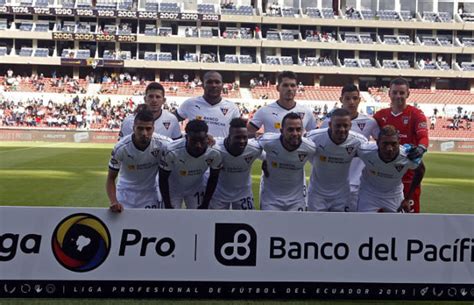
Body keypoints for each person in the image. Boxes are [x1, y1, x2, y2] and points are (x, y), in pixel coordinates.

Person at [320, 84, 379, 211]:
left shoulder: (370, 122)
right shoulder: (327, 123)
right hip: (333, 183)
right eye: (347, 98)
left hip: (358, 183)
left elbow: (381, 146)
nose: (351, 102)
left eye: (355, 98)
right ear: (341, 100)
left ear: (359, 100)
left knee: (353, 223)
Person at [374, 77, 429, 213]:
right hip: (386, 174)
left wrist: (421, 148)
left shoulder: (416, 114)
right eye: (395, 92)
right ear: (389, 94)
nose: (398, 96)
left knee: (410, 220)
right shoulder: (380, 116)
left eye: (402, 93)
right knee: (382, 219)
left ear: (408, 94)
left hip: (409, 176)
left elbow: (423, 136)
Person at [106, 109, 171, 213]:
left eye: (148, 129)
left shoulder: (164, 144)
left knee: (148, 228)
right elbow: (111, 178)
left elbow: (181, 148)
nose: (144, 133)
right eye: (140, 128)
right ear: (133, 128)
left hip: (150, 194)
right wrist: (113, 201)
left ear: (153, 129)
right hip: (125, 193)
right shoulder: (121, 148)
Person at [306, 108, 368, 212]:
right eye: (338, 125)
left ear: (350, 125)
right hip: (317, 194)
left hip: (342, 195)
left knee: (341, 226)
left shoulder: (359, 141)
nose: (342, 129)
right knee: (315, 226)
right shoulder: (314, 137)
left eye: (345, 126)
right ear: (330, 125)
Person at [357, 125, 425, 213]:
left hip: (394, 195)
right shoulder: (365, 151)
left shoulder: (407, 156)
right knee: (363, 224)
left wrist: (408, 198)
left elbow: (421, 170)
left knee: (398, 225)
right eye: (385, 144)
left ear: (399, 142)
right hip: (369, 193)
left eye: (394, 144)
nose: (389, 148)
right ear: (377, 143)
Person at [258, 112, 316, 211]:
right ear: (281, 131)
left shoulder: (309, 147)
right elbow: (253, 148)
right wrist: (265, 159)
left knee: (296, 227)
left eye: (298, 129)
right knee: (270, 226)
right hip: (270, 199)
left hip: (296, 200)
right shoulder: (268, 142)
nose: (295, 133)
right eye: (290, 130)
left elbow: (319, 163)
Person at [159, 120, 222, 209]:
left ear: (207, 137)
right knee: (171, 218)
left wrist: (205, 203)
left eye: (201, 140)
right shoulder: (171, 150)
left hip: (196, 187)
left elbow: (213, 178)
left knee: (198, 218)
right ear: (186, 137)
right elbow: (163, 179)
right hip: (173, 189)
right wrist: (167, 204)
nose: (198, 145)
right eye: (193, 141)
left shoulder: (215, 152)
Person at [210, 118, 263, 210]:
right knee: (217, 222)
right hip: (219, 195)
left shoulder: (254, 148)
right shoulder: (215, 148)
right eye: (237, 137)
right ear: (229, 137)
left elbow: (271, 156)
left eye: (244, 137)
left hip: (243, 194)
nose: (242, 141)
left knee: (248, 221)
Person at [247, 71, 316, 137]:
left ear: (296, 88)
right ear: (278, 88)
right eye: (285, 85)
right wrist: (261, 139)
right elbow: (248, 132)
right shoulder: (264, 111)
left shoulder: (306, 112)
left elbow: (314, 135)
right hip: (273, 149)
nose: (289, 89)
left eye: (292, 85)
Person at [176, 71, 240, 137]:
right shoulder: (190, 104)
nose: (214, 85)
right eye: (209, 82)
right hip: (197, 146)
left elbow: (238, 132)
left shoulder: (232, 107)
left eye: (217, 82)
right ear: (203, 85)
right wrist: (177, 136)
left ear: (222, 85)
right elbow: (172, 120)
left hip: (221, 147)